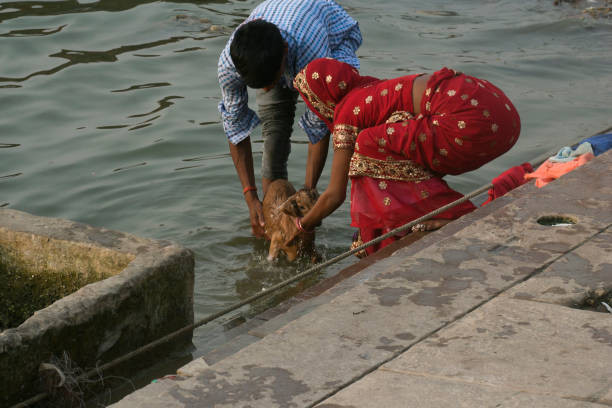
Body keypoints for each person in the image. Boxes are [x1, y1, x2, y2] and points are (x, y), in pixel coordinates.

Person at [290, 58, 521, 255]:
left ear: (321, 97)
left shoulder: (348, 111)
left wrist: (301, 226)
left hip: (468, 120)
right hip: (498, 113)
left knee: (365, 145)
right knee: (390, 137)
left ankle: (453, 216)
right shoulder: (370, 89)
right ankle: (399, 226)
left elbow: (334, 194)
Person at [217, 0, 362, 238]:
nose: (266, 90)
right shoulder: (230, 65)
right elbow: (235, 126)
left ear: (284, 52)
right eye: (260, 86)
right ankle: (273, 226)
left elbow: (319, 125)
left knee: (338, 117)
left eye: (271, 82)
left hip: (325, 38)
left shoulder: (313, 54)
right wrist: (251, 197)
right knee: (274, 134)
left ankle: (303, 220)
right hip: (275, 51)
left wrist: (307, 198)